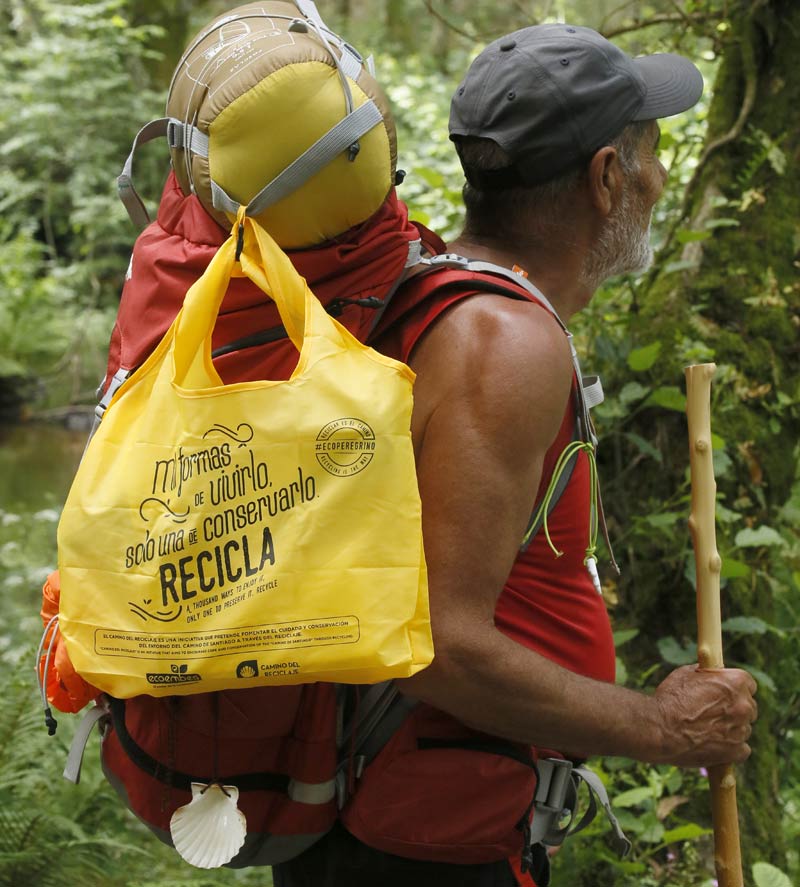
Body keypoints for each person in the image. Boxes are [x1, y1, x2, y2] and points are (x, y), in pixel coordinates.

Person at [273, 22, 758, 887]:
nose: (655, 178)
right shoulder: (504, 341)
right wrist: (663, 728)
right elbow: (439, 649)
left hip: (404, 824)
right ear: (608, 178)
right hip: (414, 854)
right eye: (647, 156)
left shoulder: (431, 288)